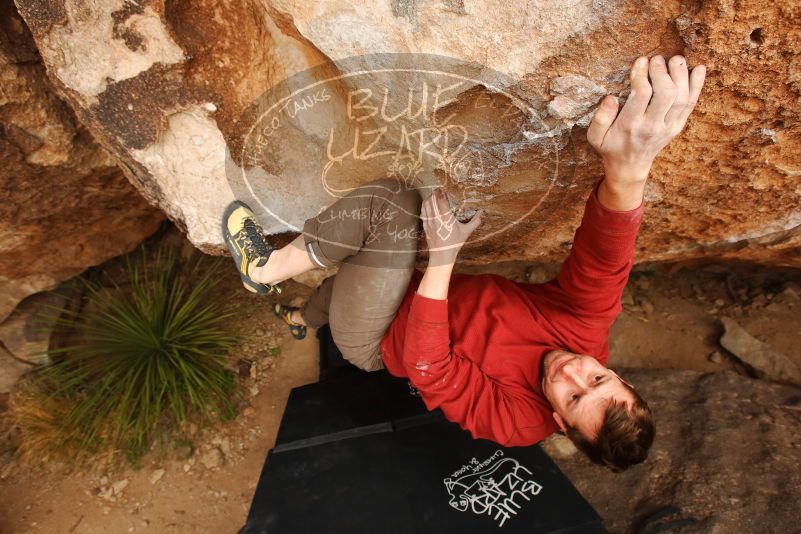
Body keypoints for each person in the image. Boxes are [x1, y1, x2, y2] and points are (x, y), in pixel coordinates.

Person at [222, 55, 706, 472]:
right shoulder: (584, 336)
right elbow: (604, 264)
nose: (572, 372)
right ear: (620, 376)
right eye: (598, 378)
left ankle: (263, 272)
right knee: (334, 289)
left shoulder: (518, 422)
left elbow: (427, 366)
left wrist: (444, 257)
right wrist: (629, 170)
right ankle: (297, 317)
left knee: (389, 204)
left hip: (379, 335)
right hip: (406, 293)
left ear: (559, 422)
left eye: (574, 398)